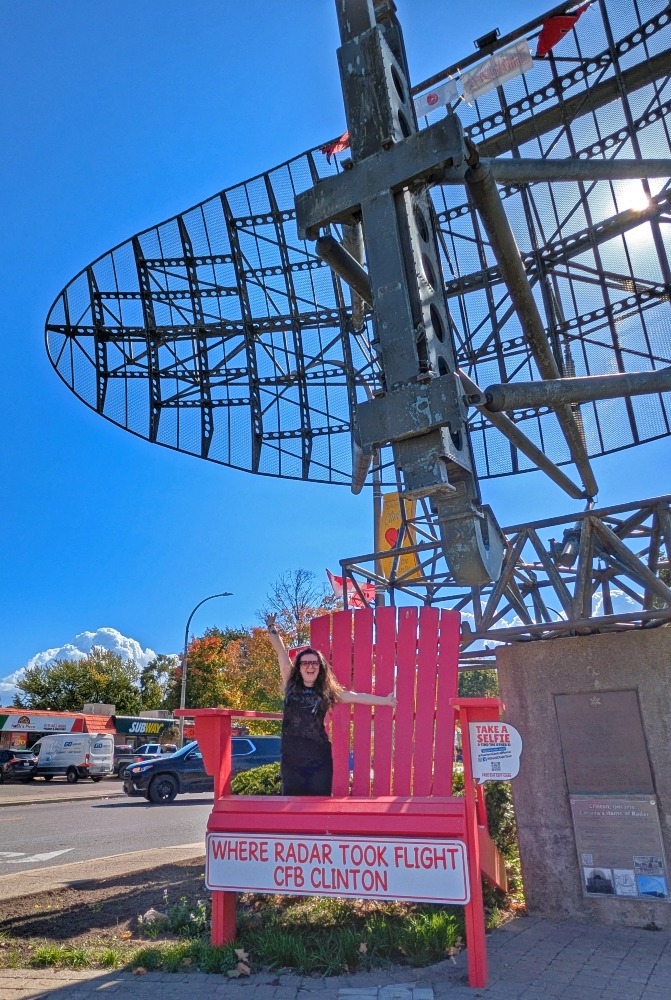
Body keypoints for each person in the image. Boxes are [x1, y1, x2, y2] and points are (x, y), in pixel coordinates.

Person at [266, 615, 397, 795]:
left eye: (314, 663)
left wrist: (385, 701)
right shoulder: (290, 684)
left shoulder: (326, 691)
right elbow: (281, 652)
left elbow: (355, 697)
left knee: (319, 804)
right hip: (292, 759)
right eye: (305, 663)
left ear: (320, 668)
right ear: (299, 667)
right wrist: (272, 628)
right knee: (292, 805)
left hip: (319, 758)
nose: (310, 667)